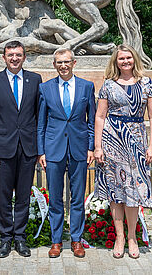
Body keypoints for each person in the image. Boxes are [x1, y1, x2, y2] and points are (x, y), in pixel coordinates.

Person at [93, 44, 152, 259]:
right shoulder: (108, 86)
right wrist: (98, 147)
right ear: (116, 61)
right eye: (121, 58)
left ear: (134, 59)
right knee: (116, 191)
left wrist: (151, 146)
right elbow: (100, 116)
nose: (125, 61)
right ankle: (119, 237)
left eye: (128, 58)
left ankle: (132, 237)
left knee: (133, 192)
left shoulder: (147, 84)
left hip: (137, 142)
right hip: (112, 141)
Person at [0, 40, 42, 257]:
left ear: (24, 57)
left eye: (18, 55)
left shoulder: (35, 80)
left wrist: (39, 148)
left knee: (24, 196)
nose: (14, 58)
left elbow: (39, 116)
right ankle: (6, 239)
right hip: (2, 149)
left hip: (28, 148)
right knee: (4, 196)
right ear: (4, 58)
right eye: (10, 55)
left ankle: (20, 238)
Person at [37, 48, 96, 258]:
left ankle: (76, 240)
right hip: (53, 150)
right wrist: (41, 151)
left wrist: (91, 147)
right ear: (54, 65)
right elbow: (41, 123)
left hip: (79, 149)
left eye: (67, 62)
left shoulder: (87, 87)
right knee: (55, 198)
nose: (63, 65)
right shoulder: (45, 88)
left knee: (77, 198)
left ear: (74, 63)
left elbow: (91, 120)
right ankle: (56, 241)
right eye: (59, 62)